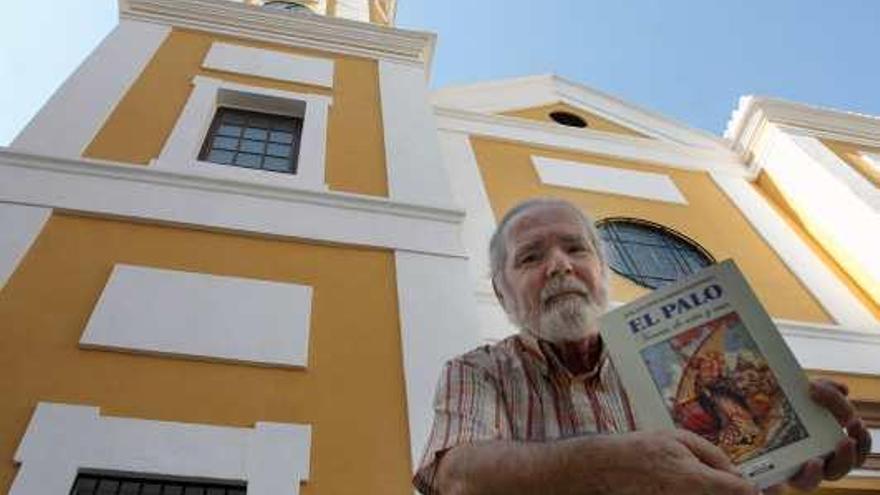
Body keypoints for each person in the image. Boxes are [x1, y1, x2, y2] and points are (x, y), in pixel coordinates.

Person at [413, 197, 871, 495]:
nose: (559, 266)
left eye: (576, 250)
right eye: (531, 256)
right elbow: (457, 477)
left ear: (602, 273)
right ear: (502, 293)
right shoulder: (479, 370)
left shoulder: (671, 360)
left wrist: (792, 439)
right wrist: (610, 463)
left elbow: (738, 469)